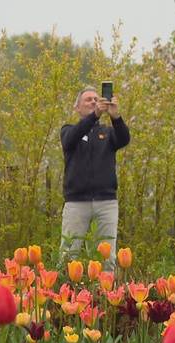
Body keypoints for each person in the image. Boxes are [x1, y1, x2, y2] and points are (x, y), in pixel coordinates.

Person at [60, 86, 131, 271]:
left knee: (107, 257)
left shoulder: (107, 133)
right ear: (77, 107)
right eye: (88, 100)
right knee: (69, 254)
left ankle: (107, 296)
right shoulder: (68, 130)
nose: (93, 102)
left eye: (95, 99)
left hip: (106, 202)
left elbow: (124, 139)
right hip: (76, 202)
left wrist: (116, 117)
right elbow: (70, 140)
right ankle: (65, 296)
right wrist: (95, 116)